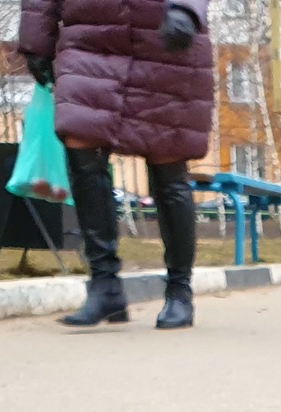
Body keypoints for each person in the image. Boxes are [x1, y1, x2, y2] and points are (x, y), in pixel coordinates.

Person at [18, 0, 214, 330]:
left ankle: (179, 291)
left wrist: (186, 9)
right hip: (88, 39)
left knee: (168, 164)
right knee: (81, 143)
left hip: (163, 41)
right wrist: (35, 39)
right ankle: (104, 285)